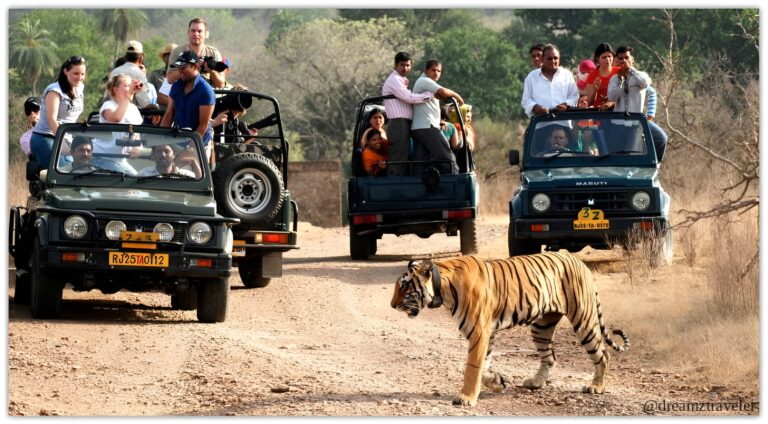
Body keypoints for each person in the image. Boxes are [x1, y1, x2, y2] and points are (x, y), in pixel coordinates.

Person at [607, 45, 668, 161]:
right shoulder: (614, 79)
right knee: (618, 156)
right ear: (616, 61)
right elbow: (611, 97)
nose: (623, 61)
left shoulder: (640, 76)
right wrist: (621, 81)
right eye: (620, 58)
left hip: (635, 123)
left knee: (661, 139)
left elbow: (645, 84)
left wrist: (630, 70)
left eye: (626, 58)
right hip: (617, 123)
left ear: (632, 60)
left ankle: (654, 164)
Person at [381, 52, 434, 176]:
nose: (405, 68)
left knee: (405, 155)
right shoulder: (394, 79)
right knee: (398, 157)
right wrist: (428, 95)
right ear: (395, 65)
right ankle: (393, 187)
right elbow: (408, 97)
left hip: (405, 123)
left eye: (408, 65)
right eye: (402, 65)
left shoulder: (401, 80)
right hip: (398, 123)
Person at [160, 50, 216, 164]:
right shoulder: (177, 84)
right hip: (178, 138)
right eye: (178, 68)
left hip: (199, 143)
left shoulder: (206, 91)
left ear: (195, 66)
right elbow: (169, 114)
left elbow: (202, 126)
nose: (180, 71)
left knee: (195, 176)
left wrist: (188, 150)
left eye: (183, 67)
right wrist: (160, 141)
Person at [30, 56, 87, 167]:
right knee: (64, 172)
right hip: (46, 138)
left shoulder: (80, 88)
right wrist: (63, 142)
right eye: (76, 73)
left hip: (66, 138)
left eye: (82, 74)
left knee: (79, 169)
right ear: (65, 71)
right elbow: (52, 120)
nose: (79, 77)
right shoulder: (55, 91)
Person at [411, 58, 464, 175]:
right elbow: (444, 92)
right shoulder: (424, 81)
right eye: (433, 70)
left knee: (420, 162)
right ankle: (454, 184)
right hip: (426, 127)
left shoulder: (427, 84)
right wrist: (459, 98)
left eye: (439, 71)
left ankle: (418, 189)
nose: (436, 73)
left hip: (419, 128)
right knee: (448, 158)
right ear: (426, 70)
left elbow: (439, 96)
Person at [93, 73, 144, 173]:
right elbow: (116, 118)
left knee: (137, 180)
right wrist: (128, 97)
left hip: (120, 160)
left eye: (131, 85)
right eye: (126, 86)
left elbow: (136, 132)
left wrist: (136, 148)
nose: (130, 88)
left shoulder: (133, 108)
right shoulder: (108, 105)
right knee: (126, 179)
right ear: (116, 90)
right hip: (101, 156)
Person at [521, 44, 579, 117]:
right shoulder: (532, 77)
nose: (553, 61)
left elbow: (574, 96)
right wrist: (536, 107)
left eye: (555, 58)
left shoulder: (567, 75)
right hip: (540, 122)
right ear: (542, 59)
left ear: (559, 59)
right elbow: (526, 100)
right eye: (549, 58)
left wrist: (566, 105)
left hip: (563, 121)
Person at [167, 18, 225, 89]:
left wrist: (211, 71)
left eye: (199, 31)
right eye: (193, 31)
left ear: (206, 34)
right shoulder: (178, 52)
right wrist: (192, 67)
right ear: (188, 32)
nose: (196, 34)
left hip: (207, 96)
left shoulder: (213, 53)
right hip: (184, 96)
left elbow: (220, 85)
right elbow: (169, 79)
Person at [109, 40, 154, 110]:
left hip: (112, 113)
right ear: (141, 58)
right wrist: (152, 107)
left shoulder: (114, 72)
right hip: (130, 115)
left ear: (126, 57)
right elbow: (143, 100)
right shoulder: (139, 74)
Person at [584, 43, 620, 110]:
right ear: (598, 59)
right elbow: (589, 102)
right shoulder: (592, 75)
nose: (607, 59)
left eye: (609, 56)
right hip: (599, 114)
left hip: (617, 113)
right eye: (604, 57)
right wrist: (595, 89)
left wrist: (611, 103)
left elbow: (625, 97)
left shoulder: (619, 72)